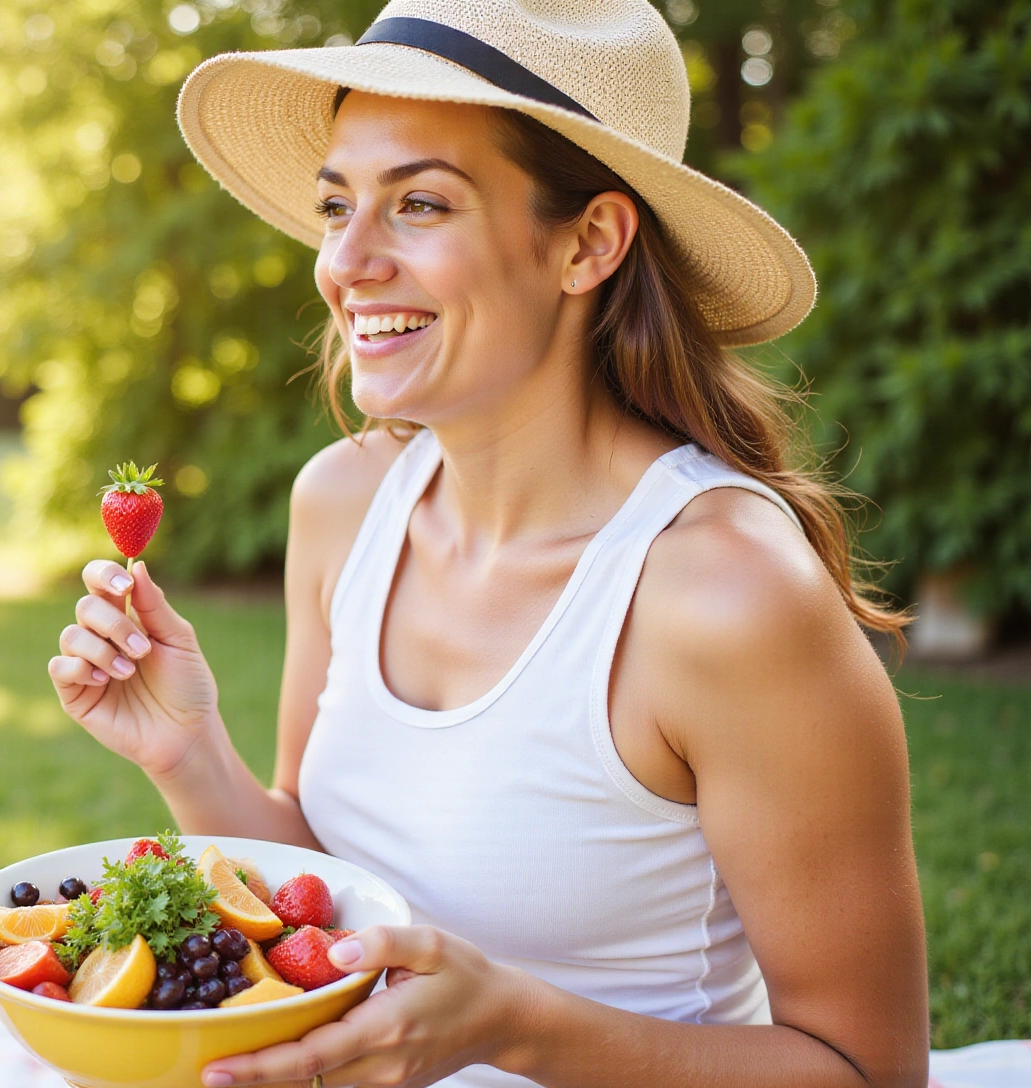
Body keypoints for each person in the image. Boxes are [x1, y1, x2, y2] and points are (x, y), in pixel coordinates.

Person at [45, 2, 929, 1086]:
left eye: (418, 203)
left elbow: (868, 1068)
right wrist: (189, 753)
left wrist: (512, 1027)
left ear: (587, 242)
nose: (347, 263)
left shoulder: (725, 593)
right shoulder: (343, 501)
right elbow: (324, 891)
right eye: (337, 204)